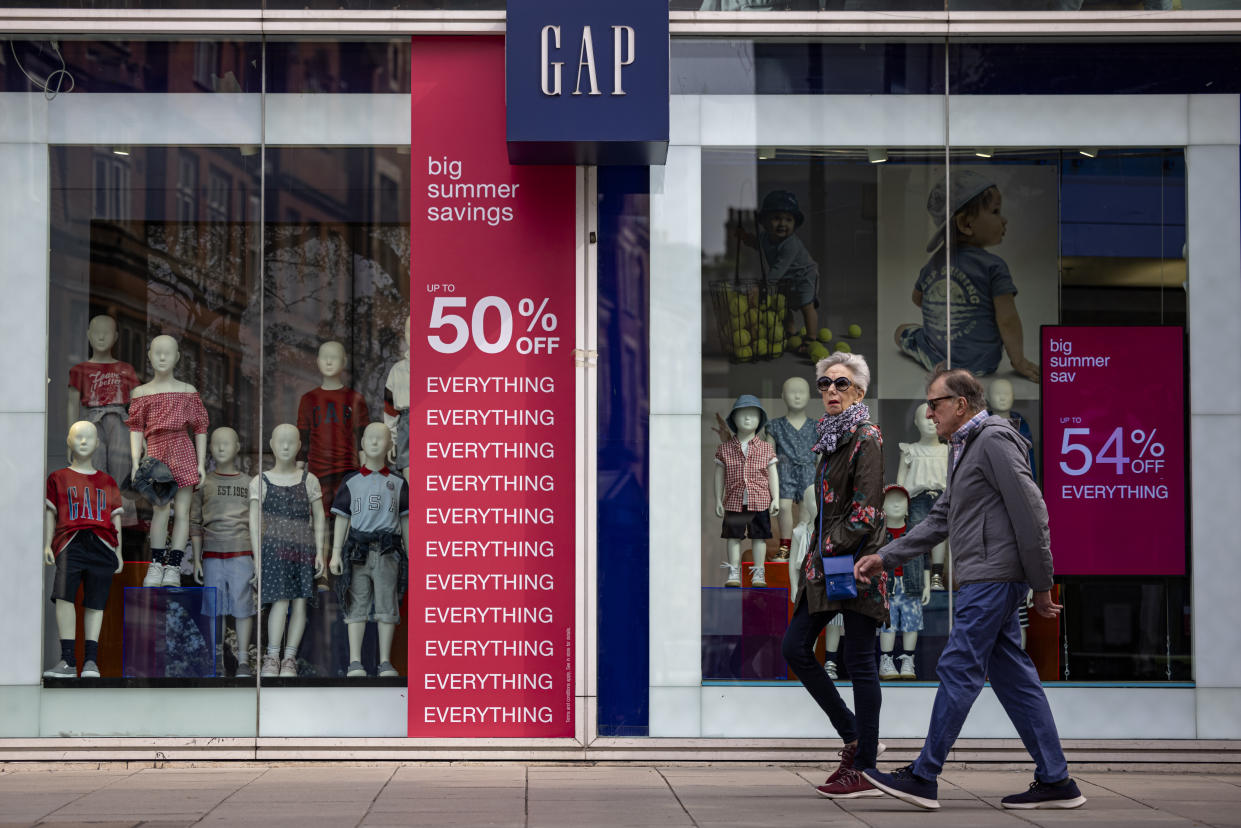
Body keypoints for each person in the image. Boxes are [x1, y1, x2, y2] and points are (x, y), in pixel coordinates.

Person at [855, 368, 1086, 811]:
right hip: (987, 576)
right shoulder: (965, 447)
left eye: (935, 403)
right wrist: (886, 556)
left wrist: (1042, 584)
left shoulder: (994, 441)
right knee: (1015, 679)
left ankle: (924, 775)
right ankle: (1057, 780)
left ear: (961, 404)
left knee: (959, 666)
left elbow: (1032, 512)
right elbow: (940, 517)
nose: (929, 412)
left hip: (993, 578)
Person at [781, 351, 888, 800]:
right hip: (828, 565)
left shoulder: (867, 437)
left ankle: (864, 768)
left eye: (841, 384)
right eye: (825, 383)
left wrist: (821, 550)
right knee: (795, 647)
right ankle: (853, 735)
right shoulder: (829, 441)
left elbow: (865, 513)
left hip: (859, 563)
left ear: (859, 392)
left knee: (861, 662)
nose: (830, 391)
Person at [894, 170, 1040, 383]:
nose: (1004, 220)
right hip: (983, 363)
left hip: (939, 361)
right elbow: (1007, 320)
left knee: (900, 330)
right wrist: (1019, 361)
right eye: (996, 211)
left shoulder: (933, 263)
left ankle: (929, 349)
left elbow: (918, 298)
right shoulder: (994, 267)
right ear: (966, 224)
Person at [42, 421, 124, 679]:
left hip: (102, 543)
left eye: (89, 437)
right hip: (70, 542)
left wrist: (118, 552)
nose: (84, 441)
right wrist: (47, 543)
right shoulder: (58, 478)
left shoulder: (107, 481)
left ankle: (91, 660)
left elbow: (115, 518)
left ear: (98, 443)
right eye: (78, 437)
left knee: (96, 602)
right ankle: (68, 660)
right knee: (64, 597)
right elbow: (50, 513)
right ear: (69, 441)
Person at [739, 190, 820, 342]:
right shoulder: (766, 237)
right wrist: (746, 238)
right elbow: (758, 244)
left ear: (794, 224)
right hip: (787, 278)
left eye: (788, 220)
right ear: (764, 221)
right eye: (776, 218)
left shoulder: (791, 245)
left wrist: (760, 286)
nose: (783, 224)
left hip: (804, 275)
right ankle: (790, 332)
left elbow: (778, 269)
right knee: (783, 304)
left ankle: (811, 338)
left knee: (806, 305)